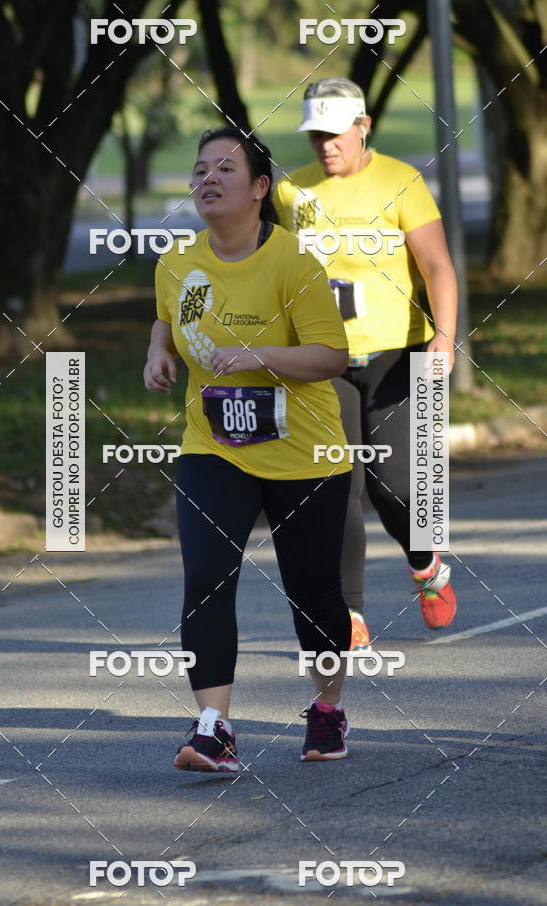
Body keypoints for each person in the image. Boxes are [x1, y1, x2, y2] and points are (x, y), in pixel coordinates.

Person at [144, 126, 356, 772]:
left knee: (314, 592)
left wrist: (258, 355)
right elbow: (167, 317)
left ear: (260, 187)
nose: (208, 178)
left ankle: (327, 708)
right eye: (200, 169)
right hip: (215, 447)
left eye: (225, 168)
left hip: (304, 452)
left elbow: (332, 356)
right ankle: (214, 728)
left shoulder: (293, 263)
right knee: (206, 579)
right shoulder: (177, 262)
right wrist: (158, 351)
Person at [273, 78, 458, 649]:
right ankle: (348, 612)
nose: (325, 144)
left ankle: (425, 563)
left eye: (335, 133)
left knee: (395, 487)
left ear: (363, 126)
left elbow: (437, 266)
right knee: (339, 485)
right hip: (324, 361)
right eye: (316, 134)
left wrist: (445, 337)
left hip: (395, 354)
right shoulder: (290, 192)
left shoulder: (401, 182)